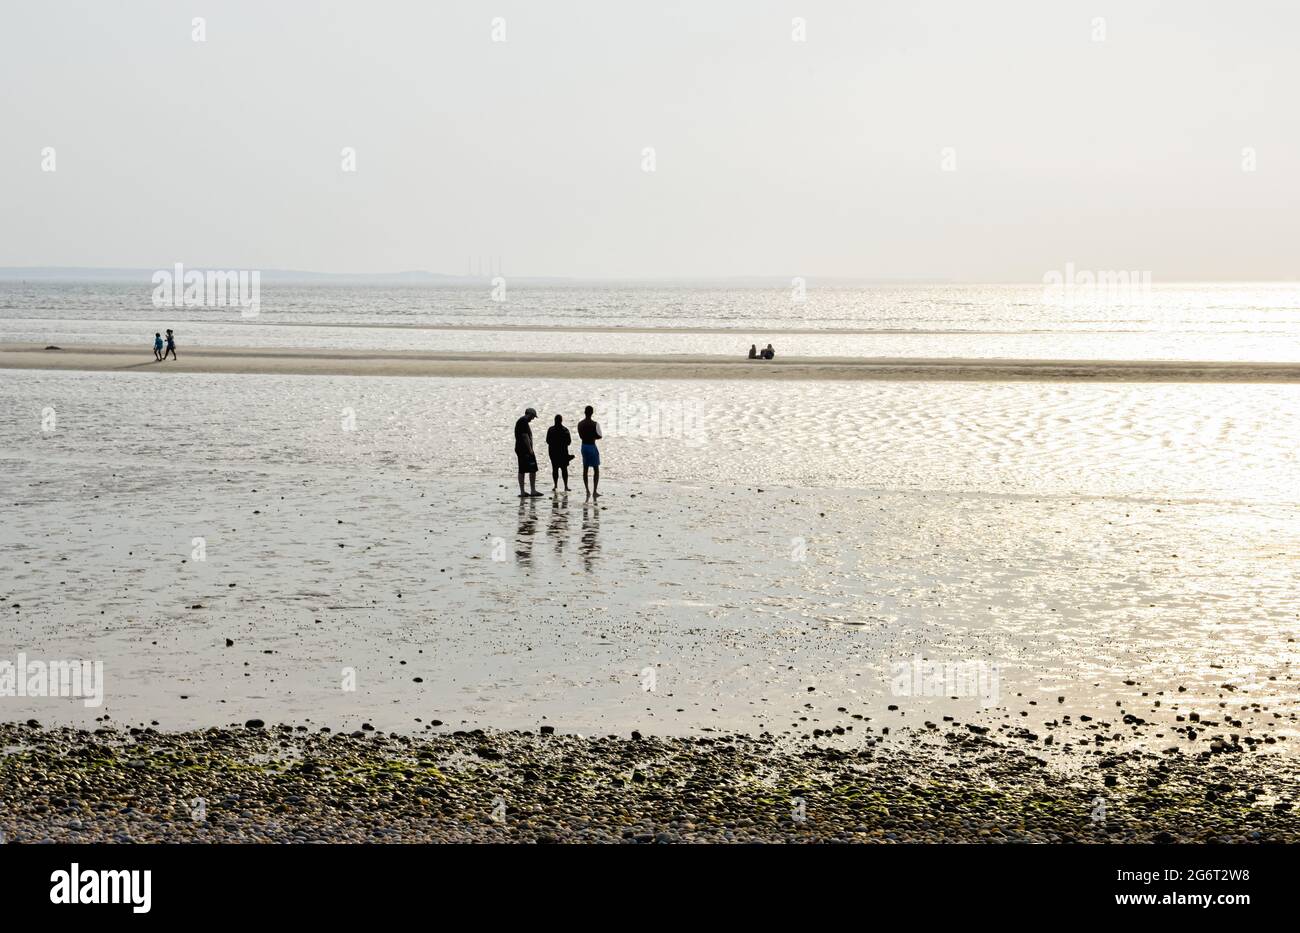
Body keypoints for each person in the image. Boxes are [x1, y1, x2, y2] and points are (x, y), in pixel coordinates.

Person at [514, 407, 542, 497]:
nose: (533, 418)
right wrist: (530, 450)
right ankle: (532, 490)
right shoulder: (524, 421)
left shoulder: (521, 421)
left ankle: (523, 492)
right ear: (529, 414)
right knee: (532, 469)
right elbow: (525, 436)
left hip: (520, 448)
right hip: (525, 449)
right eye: (533, 416)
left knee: (522, 469)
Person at [577, 405, 602, 498]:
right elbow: (600, 436)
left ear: (585, 412)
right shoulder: (595, 424)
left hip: (584, 446)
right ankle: (594, 491)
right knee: (596, 469)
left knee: (585, 469)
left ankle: (587, 490)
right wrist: (593, 436)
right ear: (592, 413)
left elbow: (580, 436)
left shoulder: (580, 424)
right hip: (591, 445)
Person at [545, 414, 573, 492]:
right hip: (563, 453)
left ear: (554, 420)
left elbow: (547, 441)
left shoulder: (550, 430)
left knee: (555, 469)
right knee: (564, 470)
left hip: (553, 453)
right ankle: (566, 486)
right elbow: (569, 442)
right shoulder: (565, 430)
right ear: (561, 420)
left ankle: (555, 485)